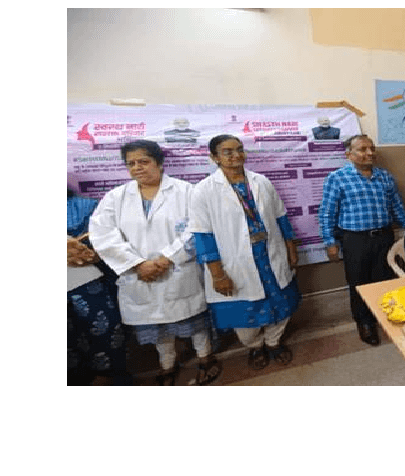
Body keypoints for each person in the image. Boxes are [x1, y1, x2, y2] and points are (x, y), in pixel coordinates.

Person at [89, 139, 222, 386]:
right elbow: (102, 234)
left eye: (143, 161)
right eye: (131, 163)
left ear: (159, 163)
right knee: (157, 326)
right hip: (139, 275)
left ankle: (205, 357)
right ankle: (167, 364)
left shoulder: (186, 191)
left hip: (178, 269)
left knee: (194, 322)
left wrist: (167, 258)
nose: (137, 167)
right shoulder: (115, 198)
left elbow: (198, 228)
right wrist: (137, 264)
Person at [188, 135, 302, 371]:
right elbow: (203, 236)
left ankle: (273, 342)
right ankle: (255, 346)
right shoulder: (203, 190)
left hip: (270, 256)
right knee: (244, 317)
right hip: (234, 263)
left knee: (281, 305)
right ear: (214, 157)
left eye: (239, 149)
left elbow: (281, 217)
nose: (236, 155)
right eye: (227, 151)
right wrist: (218, 275)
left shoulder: (261, 181)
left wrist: (291, 249)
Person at [318, 134, 405, 346]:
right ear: (349, 154)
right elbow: (326, 213)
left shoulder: (385, 177)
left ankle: (384, 316)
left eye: (372, 148)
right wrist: (330, 242)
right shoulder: (337, 178)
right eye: (362, 149)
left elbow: (397, 206)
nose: (370, 153)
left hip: (384, 238)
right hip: (355, 240)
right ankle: (365, 322)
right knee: (359, 283)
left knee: (385, 279)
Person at [67, 188, 131, 386]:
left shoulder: (85, 207)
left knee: (103, 332)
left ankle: (110, 377)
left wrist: (88, 252)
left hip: (86, 281)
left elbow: (109, 239)